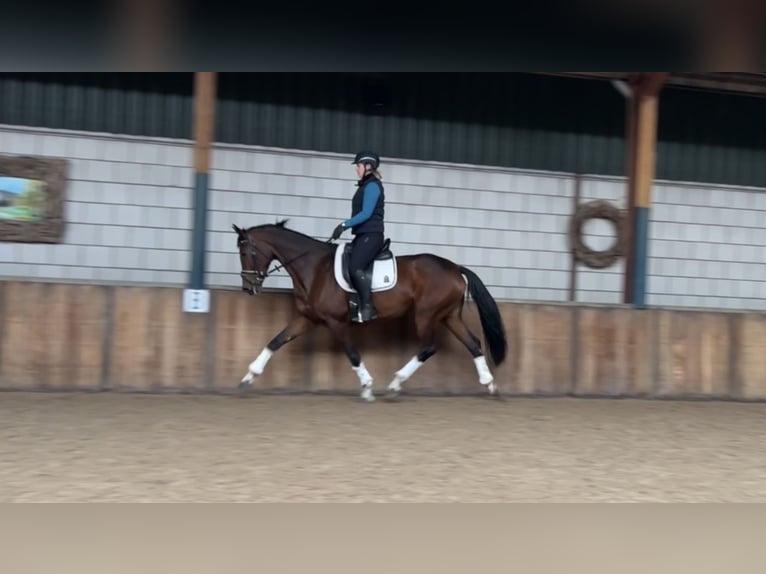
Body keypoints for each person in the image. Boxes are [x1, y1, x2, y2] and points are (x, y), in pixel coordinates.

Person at [330, 150, 386, 322]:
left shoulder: (372, 186)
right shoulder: (365, 186)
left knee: (355, 267)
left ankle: (368, 307)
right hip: (363, 235)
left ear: (368, 166)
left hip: (371, 235)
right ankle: (354, 302)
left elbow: (366, 213)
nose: (357, 169)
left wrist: (344, 225)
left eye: (359, 166)